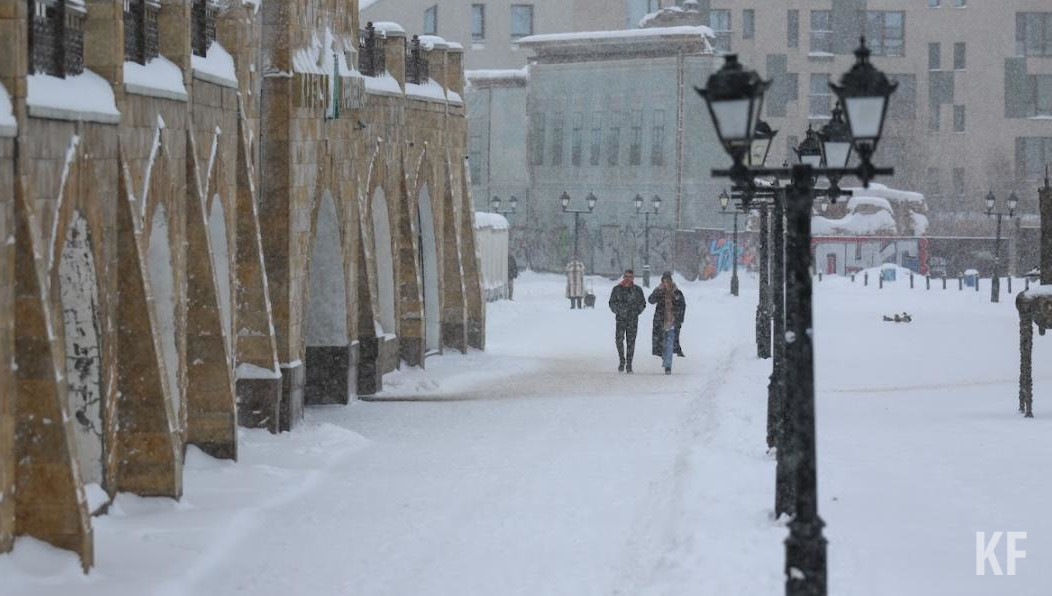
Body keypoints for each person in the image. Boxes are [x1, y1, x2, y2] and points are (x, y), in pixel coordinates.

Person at [608, 269, 646, 373]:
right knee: (619, 340)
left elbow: (643, 303)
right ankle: (622, 360)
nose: (628, 279)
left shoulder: (637, 290)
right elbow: (611, 303)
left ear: (633, 278)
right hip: (620, 319)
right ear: (624, 277)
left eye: (630, 277)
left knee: (631, 342)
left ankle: (629, 364)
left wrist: (636, 312)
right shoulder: (617, 289)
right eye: (627, 276)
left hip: (632, 320)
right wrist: (618, 311)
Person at [648, 271, 686, 375]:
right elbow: (650, 300)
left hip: (672, 323)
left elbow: (682, 306)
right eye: (664, 281)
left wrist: (679, 319)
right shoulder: (659, 292)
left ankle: (668, 366)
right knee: (662, 345)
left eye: (667, 281)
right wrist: (657, 291)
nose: (665, 283)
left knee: (669, 344)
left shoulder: (676, 292)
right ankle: (665, 360)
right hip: (660, 323)